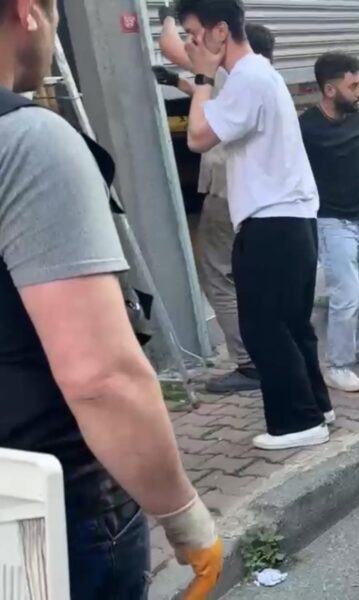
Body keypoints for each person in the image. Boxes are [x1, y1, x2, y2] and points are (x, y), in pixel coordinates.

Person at [0, 0, 222, 597]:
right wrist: (183, 516)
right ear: (27, 11)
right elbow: (101, 378)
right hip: (42, 514)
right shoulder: (26, 142)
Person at [178, 0, 333, 450]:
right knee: (292, 324)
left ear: (219, 31)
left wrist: (202, 78)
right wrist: (191, 61)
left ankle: (298, 422)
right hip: (291, 220)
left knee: (264, 327)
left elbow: (197, 137)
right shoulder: (258, 73)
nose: (191, 43)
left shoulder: (246, 79)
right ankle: (317, 407)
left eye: (194, 33)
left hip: (270, 222)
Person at [155, 15, 275, 394]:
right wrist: (177, 83)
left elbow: (169, 46)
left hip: (225, 195)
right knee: (248, 277)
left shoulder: (234, 74)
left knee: (219, 277)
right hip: (251, 198)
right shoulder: (262, 78)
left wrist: (168, 16)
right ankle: (266, 351)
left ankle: (248, 363)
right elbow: (210, 98)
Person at [300, 52, 359, 393]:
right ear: (329, 89)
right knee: (347, 295)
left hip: (358, 217)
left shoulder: (356, 117)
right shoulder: (306, 127)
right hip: (329, 221)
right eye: (353, 85)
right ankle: (338, 366)